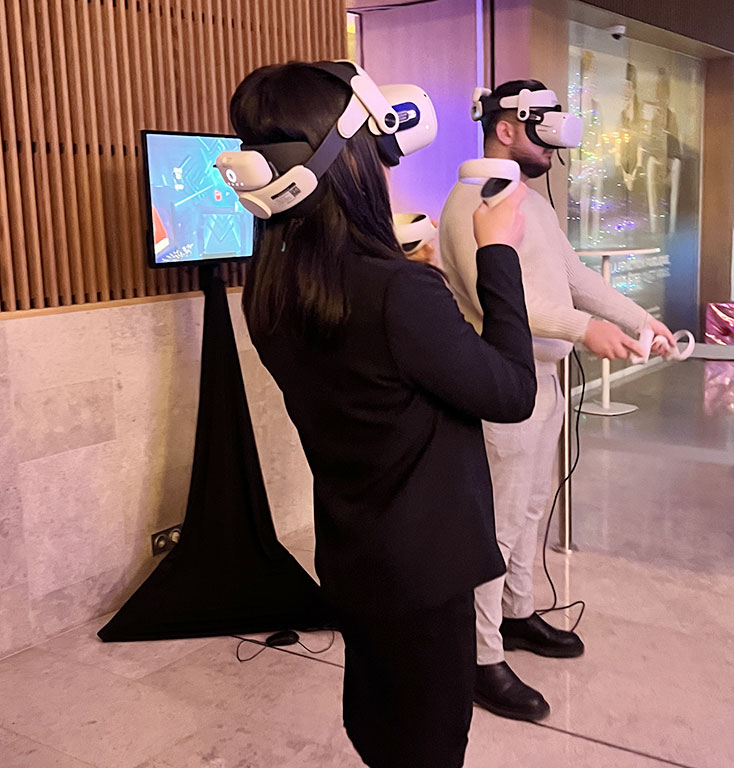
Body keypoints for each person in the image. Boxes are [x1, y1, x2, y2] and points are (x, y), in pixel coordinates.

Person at [229, 62, 536, 768]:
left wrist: (407, 272)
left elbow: (370, 362)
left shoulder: (270, 291)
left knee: (380, 723)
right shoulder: (399, 295)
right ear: (350, 165)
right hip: (425, 573)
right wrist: (497, 254)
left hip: (355, 558)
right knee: (428, 743)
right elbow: (513, 392)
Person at [439, 78, 675, 723]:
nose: (553, 145)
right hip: (500, 385)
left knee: (531, 507)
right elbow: (499, 300)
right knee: (496, 523)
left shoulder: (528, 203)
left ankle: (517, 614)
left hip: (542, 378)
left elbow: (574, 278)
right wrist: (584, 329)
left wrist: (639, 320)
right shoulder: (470, 203)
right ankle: (480, 655)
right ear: (505, 128)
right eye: (540, 128)